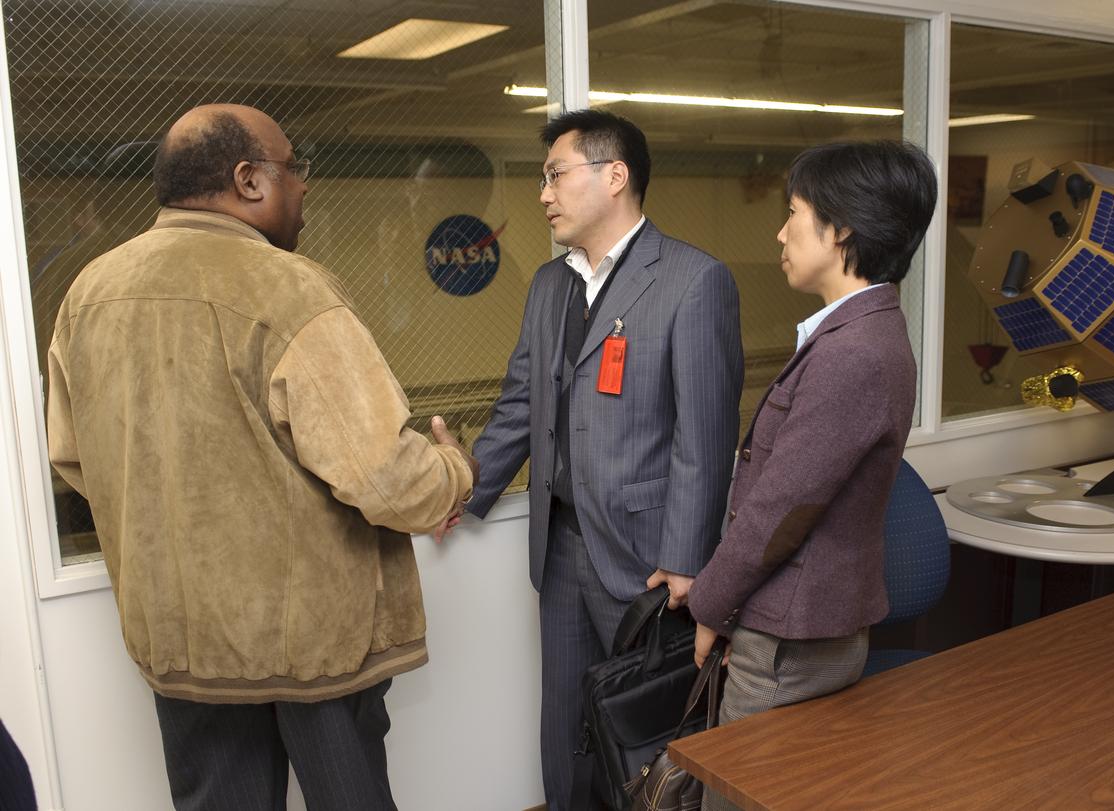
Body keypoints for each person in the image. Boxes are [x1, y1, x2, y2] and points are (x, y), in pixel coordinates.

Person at [44, 104, 477, 811]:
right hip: (313, 648)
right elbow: (388, 478)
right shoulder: (289, 286)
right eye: (293, 167)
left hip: (181, 643)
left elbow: (73, 458)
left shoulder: (88, 293)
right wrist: (455, 470)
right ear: (249, 180)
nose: (304, 185)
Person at [460, 109, 743, 809]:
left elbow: (705, 435)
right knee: (565, 727)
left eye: (555, 175)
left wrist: (687, 555)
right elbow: (521, 406)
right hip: (561, 544)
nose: (543, 194)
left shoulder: (692, 280)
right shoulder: (549, 286)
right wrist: (461, 488)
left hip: (649, 558)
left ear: (614, 176)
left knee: (642, 731)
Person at [687, 140, 937, 811]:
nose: (781, 232)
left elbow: (781, 511)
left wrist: (710, 604)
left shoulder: (852, 353)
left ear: (842, 227)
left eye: (794, 211)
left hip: (789, 643)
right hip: (795, 625)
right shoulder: (862, 332)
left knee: (734, 799)